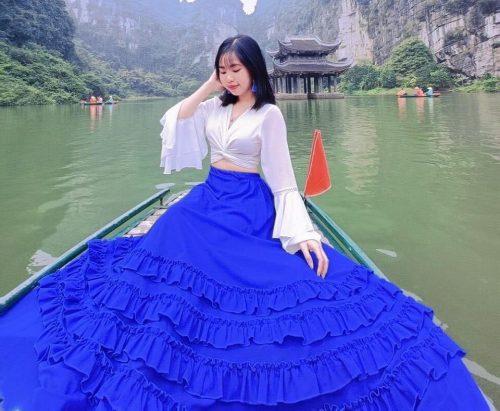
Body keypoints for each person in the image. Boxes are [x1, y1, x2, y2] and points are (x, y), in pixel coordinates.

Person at [0, 35, 488, 410]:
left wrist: (303, 233)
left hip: (248, 204)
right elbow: (177, 118)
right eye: (223, 69)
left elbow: (283, 181)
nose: (229, 77)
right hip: (209, 196)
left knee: (276, 282)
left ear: (254, 68)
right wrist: (208, 86)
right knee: (171, 233)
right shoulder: (214, 107)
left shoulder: (269, 115)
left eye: (235, 68)